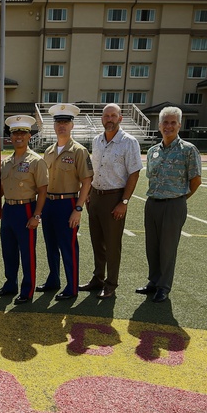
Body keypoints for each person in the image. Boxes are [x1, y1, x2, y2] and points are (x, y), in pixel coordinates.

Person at [136, 106, 202, 303]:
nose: (169, 126)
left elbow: (196, 180)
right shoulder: (154, 151)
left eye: (173, 122)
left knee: (167, 248)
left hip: (174, 205)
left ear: (179, 125)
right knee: (152, 246)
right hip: (152, 204)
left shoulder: (188, 150)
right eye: (165, 122)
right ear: (159, 125)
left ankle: (163, 287)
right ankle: (153, 281)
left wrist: (179, 199)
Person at [81, 103, 143, 299]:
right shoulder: (97, 140)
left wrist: (123, 202)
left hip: (114, 197)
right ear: (102, 118)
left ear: (120, 118)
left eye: (113, 116)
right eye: (106, 116)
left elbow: (134, 173)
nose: (109, 119)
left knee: (112, 244)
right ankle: (97, 278)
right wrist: (89, 193)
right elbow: (94, 169)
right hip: (96, 197)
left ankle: (111, 283)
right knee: (96, 242)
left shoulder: (129, 142)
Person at [39, 104, 93, 301]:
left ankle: (72, 287)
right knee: (50, 245)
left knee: (68, 247)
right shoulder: (49, 151)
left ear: (72, 125)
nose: (62, 125)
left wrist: (78, 209)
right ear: (54, 126)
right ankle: (54, 279)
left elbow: (87, 181)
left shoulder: (79, 151)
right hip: (49, 204)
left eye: (65, 122)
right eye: (58, 122)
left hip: (67, 203)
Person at [0, 115, 48, 305]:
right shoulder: (6, 162)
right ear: (10, 135)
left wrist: (37, 215)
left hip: (26, 209)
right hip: (8, 209)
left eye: (23, 133)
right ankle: (10, 284)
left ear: (29, 135)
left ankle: (28, 289)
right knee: (8, 251)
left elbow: (43, 191)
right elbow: (0, 189)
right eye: (15, 133)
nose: (18, 137)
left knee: (27, 252)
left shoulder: (36, 161)